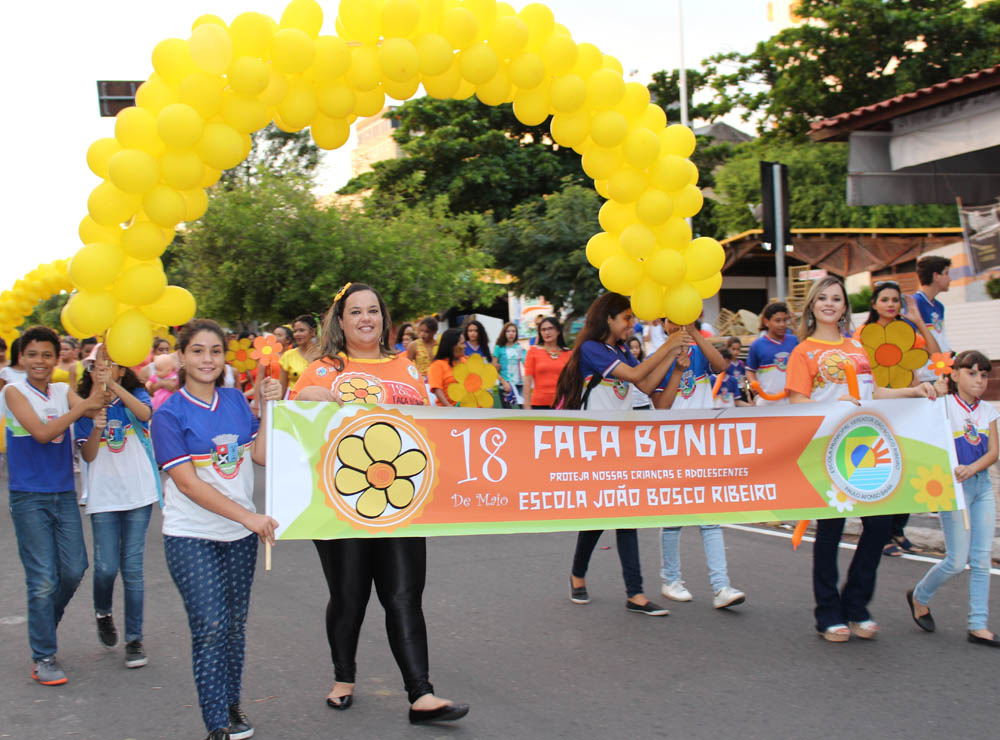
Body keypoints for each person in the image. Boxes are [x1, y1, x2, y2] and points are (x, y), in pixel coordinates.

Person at [291, 282, 469, 724]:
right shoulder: (321, 370)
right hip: (339, 504)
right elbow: (291, 430)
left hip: (402, 503)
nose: (366, 318)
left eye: (373, 310)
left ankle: (421, 694)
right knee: (349, 596)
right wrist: (305, 400)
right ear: (341, 320)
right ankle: (344, 677)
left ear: (384, 319)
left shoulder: (407, 368)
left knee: (404, 595)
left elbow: (427, 430)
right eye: (356, 312)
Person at [785, 276, 936, 643]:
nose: (829, 304)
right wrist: (830, 407)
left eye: (836, 298)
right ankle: (828, 614)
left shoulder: (857, 348)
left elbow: (873, 393)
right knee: (831, 533)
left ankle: (857, 605)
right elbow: (795, 402)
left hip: (867, 449)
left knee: (880, 525)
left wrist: (914, 390)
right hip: (825, 451)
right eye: (822, 298)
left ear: (844, 307)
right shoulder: (803, 351)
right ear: (813, 305)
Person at [151, 319, 281, 740]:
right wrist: (248, 517)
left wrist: (272, 409)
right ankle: (216, 725)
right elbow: (188, 484)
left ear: (225, 357)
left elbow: (259, 456)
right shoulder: (167, 414)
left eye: (216, 351)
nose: (208, 359)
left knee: (233, 627)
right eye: (198, 351)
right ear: (182, 356)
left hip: (240, 537)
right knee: (209, 625)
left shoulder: (236, 402)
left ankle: (231, 703)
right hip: (191, 536)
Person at [555, 292, 687, 617]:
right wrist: (668, 346)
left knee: (616, 516)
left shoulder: (622, 351)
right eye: (627, 317)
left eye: (633, 318)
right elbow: (635, 376)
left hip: (623, 446)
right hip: (596, 446)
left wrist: (677, 368)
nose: (632, 323)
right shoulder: (592, 350)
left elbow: (654, 397)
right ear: (609, 319)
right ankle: (632, 591)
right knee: (617, 516)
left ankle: (605, 582)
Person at [4, 326, 105, 686]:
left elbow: (94, 408)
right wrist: (84, 408)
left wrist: (99, 378)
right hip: (28, 495)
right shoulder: (13, 392)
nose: (40, 361)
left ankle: (44, 619)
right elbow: (43, 434)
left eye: (47, 354)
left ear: (56, 357)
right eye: (32, 354)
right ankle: (43, 655)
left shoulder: (63, 390)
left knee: (75, 567)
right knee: (43, 577)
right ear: (21, 358)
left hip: (63, 493)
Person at [75, 345, 159, 669]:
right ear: (90, 369)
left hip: (138, 494)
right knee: (107, 567)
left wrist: (116, 388)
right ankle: (103, 612)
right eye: (98, 365)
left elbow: (146, 415)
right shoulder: (83, 406)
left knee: (133, 569)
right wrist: (96, 423)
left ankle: (134, 639)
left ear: (122, 369)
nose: (104, 369)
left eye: (112, 365)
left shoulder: (136, 394)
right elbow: (89, 456)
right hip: (104, 497)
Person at [908, 350, 999, 647]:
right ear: (955, 374)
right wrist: (933, 388)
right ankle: (919, 596)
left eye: (984, 375)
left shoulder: (987, 411)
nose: (979, 380)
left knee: (982, 559)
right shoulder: (942, 405)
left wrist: (972, 468)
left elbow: (993, 452)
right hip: (953, 489)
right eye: (971, 373)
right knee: (957, 561)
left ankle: (978, 625)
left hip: (982, 486)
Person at [653, 323, 746, 609]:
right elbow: (660, 406)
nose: (679, 322)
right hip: (674, 445)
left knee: (710, 516)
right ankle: (671, 580)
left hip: (705, 442)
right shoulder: (660, 355)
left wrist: (695, 335)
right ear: (662, 322)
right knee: (673, 518)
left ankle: (721, 586)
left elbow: (720, 366)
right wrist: (677, 368)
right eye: (672, 318)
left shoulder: (700, 351)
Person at [854, 280, 938, 556]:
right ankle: (877, 532)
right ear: (874, 304)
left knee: (906, 468)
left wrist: (918, 321)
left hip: (907, 406)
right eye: (885, 300)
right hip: (876, 407)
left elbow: (936, 356)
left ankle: (897, 528)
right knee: (876, 468)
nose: (891, 305)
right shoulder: (862, 334)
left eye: (895, 300)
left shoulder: (909, 331)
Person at [745, 302, 798, 406]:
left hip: (792, 400)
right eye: (777, 321)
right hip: (767, 401)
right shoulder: (757, 345)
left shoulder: (795, 341)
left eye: (785, 320)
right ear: (766, 322)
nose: (782, 324)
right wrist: (753, 384)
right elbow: (750, 370)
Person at [911, 255, 952, 383]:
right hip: (924, 376)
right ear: (936, 276)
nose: (950, 278)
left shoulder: (939, 306)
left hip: (941, 372)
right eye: (946, 273)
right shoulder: (914, 303)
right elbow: (908, 341)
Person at [523, 316, 570, 409]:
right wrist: (526, 405)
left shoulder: (568, 353)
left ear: (558, 331)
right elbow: (527, 381)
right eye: (543, 330)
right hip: (538, 404)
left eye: (550, 328)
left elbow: (571, 381)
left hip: (563, 404)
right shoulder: (533, 351)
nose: (547, 332)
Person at [279, 314, 318, 398]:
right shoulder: (288, 356)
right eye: (295, 331)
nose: (297, 334)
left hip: (320, 403)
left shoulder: (324, 355)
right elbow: (282, 387)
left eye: (301, 330)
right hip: (295, 403)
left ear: (313, 331)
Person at [427, 328, 465, 407]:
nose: (465, 346)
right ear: (453, 346)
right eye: (462, 343)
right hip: (448, 412)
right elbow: (437, 388)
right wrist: (448, 406)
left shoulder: (466, 361)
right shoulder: (437, 365)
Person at [493, 321, 526, 408]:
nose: (511, 333)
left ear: (516, 333)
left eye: (513, 331)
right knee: (508, 412)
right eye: (508, 331)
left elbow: (526, 364)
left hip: (519, 385)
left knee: (525, 412)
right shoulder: (498, 348)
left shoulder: (519, 348)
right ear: (504, 333)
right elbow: (493, 369)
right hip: (505, 385)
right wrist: (504, 382)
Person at [406, 316, 439, 380]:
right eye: (421, 331)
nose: (423, 334)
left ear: (434, 331)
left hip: (437, 380)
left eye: (427, 332)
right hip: (421, 382)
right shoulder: (414, 345)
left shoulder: (439, 345)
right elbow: (408, 366)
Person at [626, 336, 652, 410]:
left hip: (644, 402)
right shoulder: (624, 366)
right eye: (631, 348)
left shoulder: (643, 364)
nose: (634, 350)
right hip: (632, 403)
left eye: (637, 347)